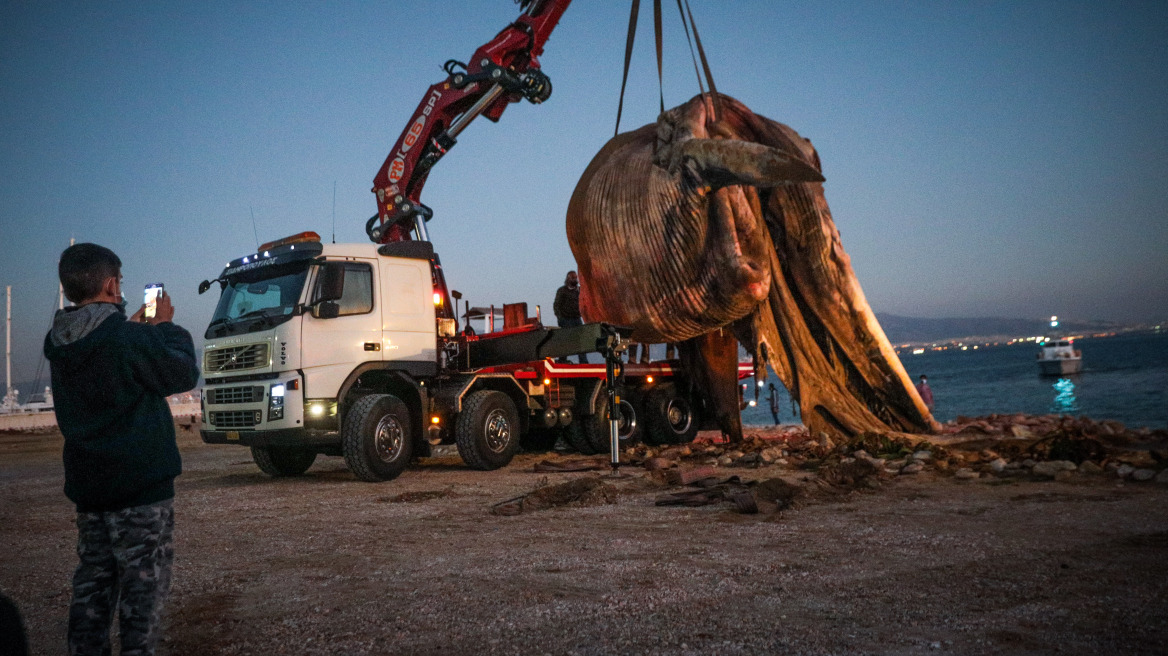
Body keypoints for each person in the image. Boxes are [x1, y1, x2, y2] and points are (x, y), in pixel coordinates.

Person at [43, 244, 200, 656]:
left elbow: (106, 349)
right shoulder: (127, 340)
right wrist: (165, 325)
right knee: (142, 595)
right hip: (139, 491)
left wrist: (131, 328)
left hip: (90, 489)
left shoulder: (60, 342)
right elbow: (182, 370)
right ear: (112, 284)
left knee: (93, 586)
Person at [553, 270, 588, 364]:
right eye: (573, 278)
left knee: (580, 340)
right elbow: (556, 305)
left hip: (576, 318)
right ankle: (562, 360)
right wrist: (560, 318)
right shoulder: (562, 291)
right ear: (568, 279)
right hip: (566, 319)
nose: (575, 280)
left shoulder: (579, 291)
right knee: (566, 340)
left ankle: (583, 361)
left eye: (576, 278)